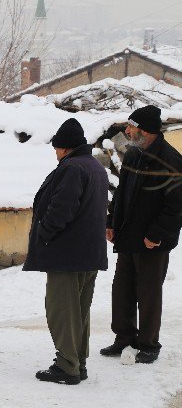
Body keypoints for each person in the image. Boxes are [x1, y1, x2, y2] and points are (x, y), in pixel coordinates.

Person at [24, 118, 108, 385]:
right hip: (88, 252)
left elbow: (62, 208)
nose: (56, 153)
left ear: (66, 147)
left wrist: (44, 233)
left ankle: (67, 366)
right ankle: (77, 362)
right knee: (79, 311)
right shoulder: (95, 166)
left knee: (61, 310)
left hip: (68, 254)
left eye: (57, 148)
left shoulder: (72, 168)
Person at [101, 105, 182, 364]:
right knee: (122, 290)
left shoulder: (171, 160)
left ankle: (148, 345)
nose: (126, 130)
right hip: (128, 237)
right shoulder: (133, 155)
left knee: (148, 293)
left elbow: (176, 206)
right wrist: (111, 220)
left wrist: (157, 233)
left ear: (144, 130)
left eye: (130, 126)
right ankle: (123, 337)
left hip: (152, 242)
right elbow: (121, 193)